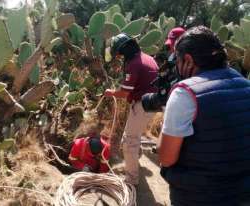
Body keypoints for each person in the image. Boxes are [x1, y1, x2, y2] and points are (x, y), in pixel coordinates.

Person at [157, 26, 250, 206]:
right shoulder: (246, 85)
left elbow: (166, 157)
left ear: (189, 60)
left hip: (199, 196)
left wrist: (164, 122)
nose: (176, 65)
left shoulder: (184, 93)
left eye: (177, 59)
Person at [105, 33, 158, 185]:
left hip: (142, 105)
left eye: (120, 54)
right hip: (152, 104)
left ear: (125, 50)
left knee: (129, 142)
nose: (121, 57)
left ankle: (131, 180)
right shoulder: (148, 58)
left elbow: (124, 92)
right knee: (134, 136)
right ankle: (135, 162)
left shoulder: (134, 64)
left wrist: (111, 93)